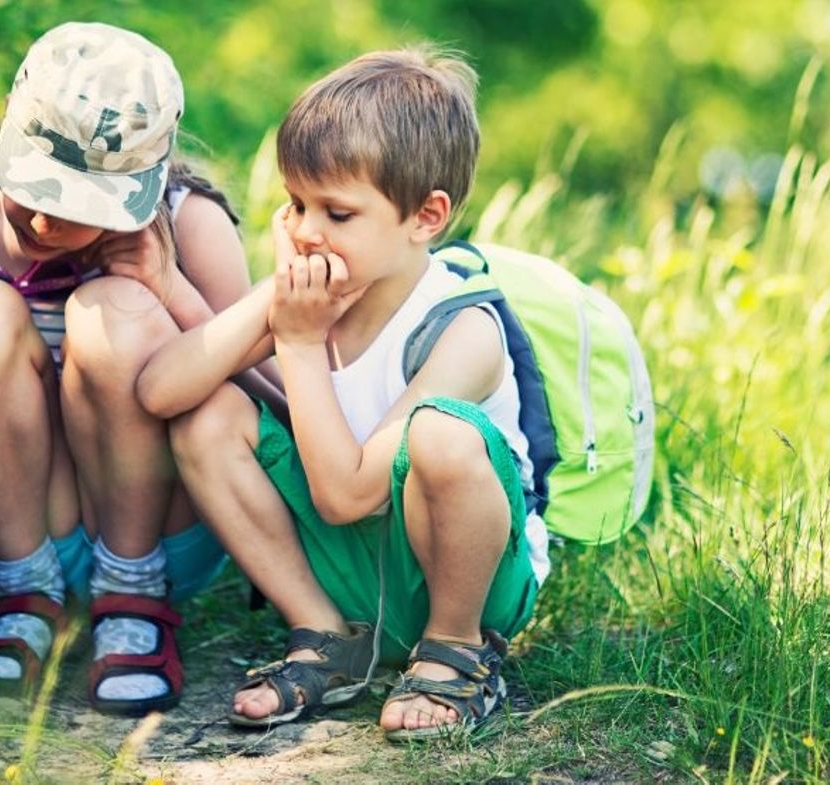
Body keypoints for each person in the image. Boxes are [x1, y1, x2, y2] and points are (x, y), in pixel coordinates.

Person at [139, 47, 551, 741]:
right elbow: (159, 390)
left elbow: (348, 494)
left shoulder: (463, 327)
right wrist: (273, 303)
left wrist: (297, 343)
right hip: (348, 570)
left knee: (441, 434)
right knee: (205, 415)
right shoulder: (310, 292)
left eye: (336, 212)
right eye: (295, 204)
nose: (304, 231)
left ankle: (455, 654)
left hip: (462, 578)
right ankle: (327, 635)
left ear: (426, 217)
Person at [0, 22, 274, 715]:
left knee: (114, 310)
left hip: (159, 534)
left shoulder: (189, 222)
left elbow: (271, 395)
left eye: (80, 206)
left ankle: (134, 599)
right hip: (16, 523)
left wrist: (170, 290)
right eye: (37, 189)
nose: (43, 224)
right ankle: (25, 595)